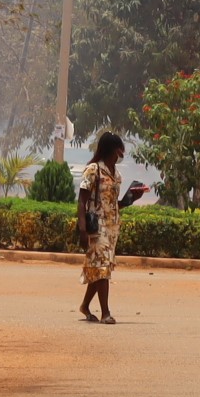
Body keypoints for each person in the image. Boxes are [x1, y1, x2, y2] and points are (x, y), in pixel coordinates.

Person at [77, 132, 127, 323]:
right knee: (103, 267)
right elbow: (81, 201)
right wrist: (82, 230)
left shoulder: (117, 175)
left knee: (100, 268)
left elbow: (113, 203)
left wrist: (130, 199)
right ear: (111, 150)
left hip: (112, 227)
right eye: (118, 150)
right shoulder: (93, 170)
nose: (120, 155)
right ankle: (106, 312)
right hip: (96, 227)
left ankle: (85, 306)